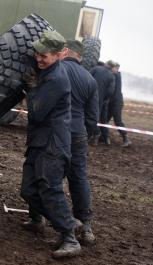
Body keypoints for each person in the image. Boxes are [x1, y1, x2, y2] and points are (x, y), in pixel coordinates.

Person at [20, 30, 81, 259]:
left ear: (60, 54)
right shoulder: (48, 69)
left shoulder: (57, 79)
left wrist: (30, 88)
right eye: (37, 53)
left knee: (49, 189)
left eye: (44, 55)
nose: (38, 58)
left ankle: (70, 237)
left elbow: (36, 113)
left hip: (53, 145)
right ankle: (64, 221)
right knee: (27, 190)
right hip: (40, 142)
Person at [61, 40, 98, 245]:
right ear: (81, 56)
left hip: (57, 130)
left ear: (65, 51)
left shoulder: (56, 69)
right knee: (79, 179)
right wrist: (85, 133)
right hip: (78, 133)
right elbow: (93, 117)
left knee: (51, 176)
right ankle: (87, 227)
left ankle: (38, 217)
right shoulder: (90, 79)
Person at [90, 60, 115, 145]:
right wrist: (104, 99)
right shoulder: (111, 76)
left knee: (92, 117)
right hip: (102, 100)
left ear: (106, 64)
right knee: (103, 119)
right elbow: (110, 91)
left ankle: (95, 136)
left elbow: (87, 79)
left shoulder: (96, 69)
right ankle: (106, 138)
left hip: (90, 96)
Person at [106, 61, 132, 147]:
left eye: (112, 68)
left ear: (116, 68)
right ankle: (103, 136)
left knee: (118, 121)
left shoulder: (116, 75)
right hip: (111, 102)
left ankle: (126, 138)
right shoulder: (114, 75)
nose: (110, 70)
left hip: (116, 103)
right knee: (104, 120)